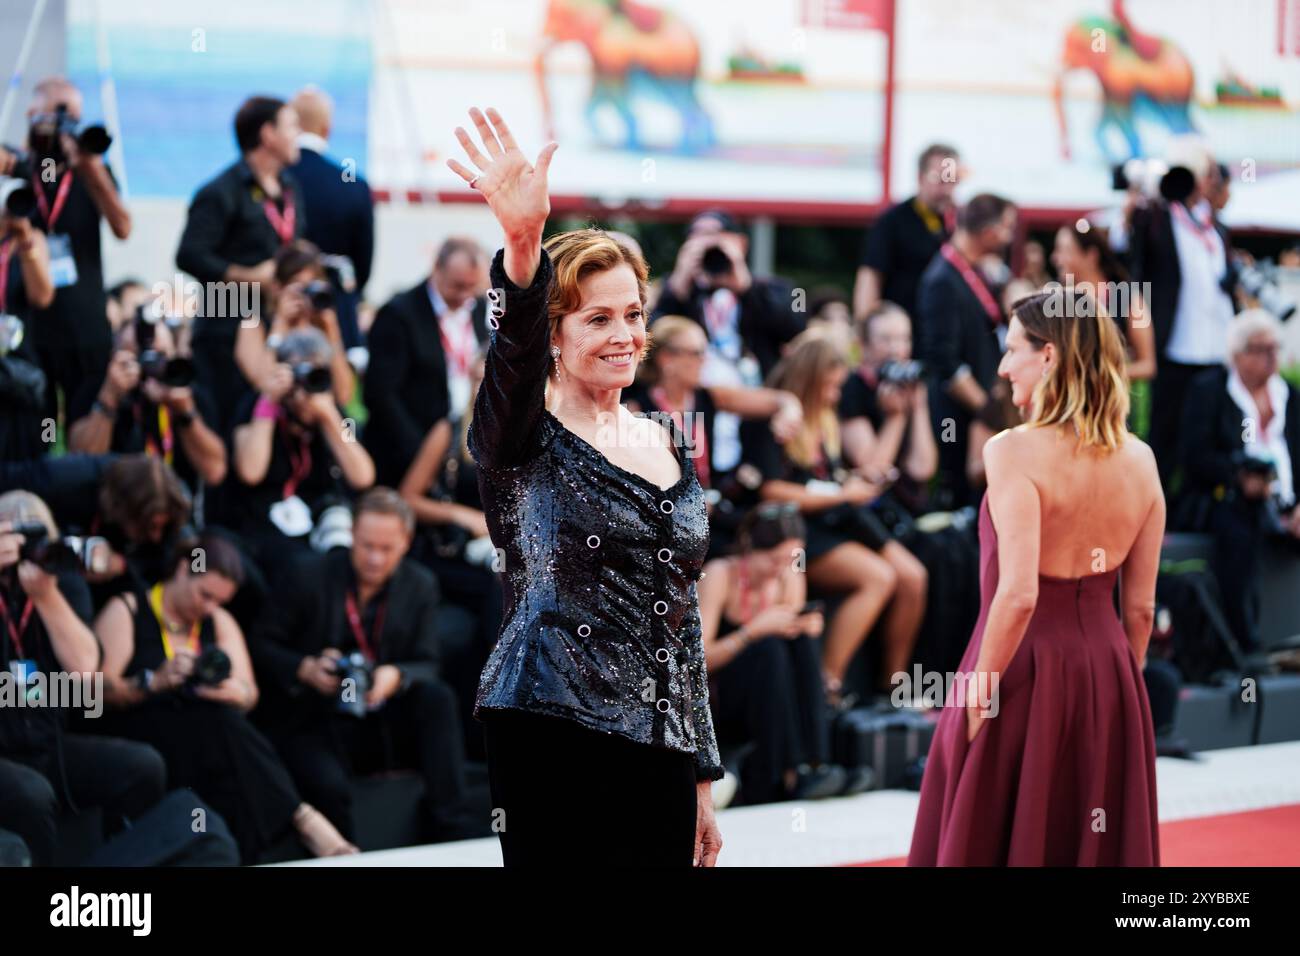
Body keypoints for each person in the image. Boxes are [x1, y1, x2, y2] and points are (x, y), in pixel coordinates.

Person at [446, 106, 723, 867]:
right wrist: (525, 246)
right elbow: (512, 346)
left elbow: (682, 617)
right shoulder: (518, 434)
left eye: (634, 314)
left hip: (658, 739)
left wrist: (701, 769)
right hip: (547, 720)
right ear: (558, 338)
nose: (625, 335)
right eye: (598, 318)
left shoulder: (667, 438)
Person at [908, 290, 1163, 866]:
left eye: (1011, 350)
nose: (1001, 368)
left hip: (1015, 669)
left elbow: (1018, 594)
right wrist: (1121, 688)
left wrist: (977, 698)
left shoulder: (1012, 451)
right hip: (1110, 670)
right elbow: (1141, 610)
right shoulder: (1141, 460)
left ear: (1049, 357)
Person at [94, 532, 358, 862]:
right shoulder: (128, 608)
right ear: (181, 570)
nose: (208, 607)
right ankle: (303, 818)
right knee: (220, 730)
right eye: (203, 594)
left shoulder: (217, 620)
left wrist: (233, 691)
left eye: (218, 601)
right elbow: (96, 694)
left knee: (222, 729)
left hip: (204, 737)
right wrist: (154, 682)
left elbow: (250, 695)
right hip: (142, 729)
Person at [249, 488, 479, 843]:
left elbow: (428, 662)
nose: (374, 559)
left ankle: (452, 824)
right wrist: (304, 668)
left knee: (437, 699)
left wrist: (397, 675)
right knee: (329, 785)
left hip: (381, 713)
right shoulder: (306, 574)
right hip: (315, 715)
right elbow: (260, 644)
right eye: (366, 546)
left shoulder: (420, 585)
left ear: (406, 542)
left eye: (386, 549)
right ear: (351, 535)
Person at [739, 329, 924, 706]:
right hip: (799, 529)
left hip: (838, 518)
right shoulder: (771, 419)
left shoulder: (824, 419)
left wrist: (853, 483)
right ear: (810, 379)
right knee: (878, 577)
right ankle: (827, 686)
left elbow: (826, 479)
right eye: (831, 386)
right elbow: (770, 491)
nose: (836, 395)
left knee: (913, 577)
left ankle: (891, 689)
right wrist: (842, 492)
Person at [0, 492, 167, 866]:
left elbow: (84, 670)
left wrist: (45, 597)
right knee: (31, 793)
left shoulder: (62, 582)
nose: (29, 551)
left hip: (47, 745)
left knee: (142, 767)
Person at [697, 502, 872, 804]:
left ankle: (816, 762)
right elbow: (699, 662)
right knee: (769, 647)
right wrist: (750, 633)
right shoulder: (720, 575)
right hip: (725, 694)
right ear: (751, 548)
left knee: (798, 642)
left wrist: (804, 627)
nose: (781, 569)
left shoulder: (789, 575)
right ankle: (785, 772)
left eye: (791, 560)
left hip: (772, 689)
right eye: (774, 560)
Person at [2, 77, 131, 426]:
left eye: (72, 115)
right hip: (27, 325)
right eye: (57, 114)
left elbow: (123, 227)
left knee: (81, 422)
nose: (65, 124)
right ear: (32, 114)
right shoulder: (16, 164)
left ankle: (74, 477)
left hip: (84, 326)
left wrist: (88, 164)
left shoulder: (90, 173)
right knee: (37, 426)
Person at [177, 95, 304, 431]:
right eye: (292, 126)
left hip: (274, 327)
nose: (299, 136)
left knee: (268, 423)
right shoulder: (221, 191)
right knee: (227, 427)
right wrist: (245, 277)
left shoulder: (289, 189)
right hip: (224, 330)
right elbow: (188, 254)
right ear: (268, 135)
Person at [1179, 310, 1300, 653]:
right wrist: (1239, 476)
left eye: (1275, 348)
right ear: (1237, 354)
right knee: (1238, 529)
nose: (1271, 357)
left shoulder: (1288, 395)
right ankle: (1243, 644)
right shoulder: (1210, 391)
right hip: (1227, 499)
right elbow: (1195, 456)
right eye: (1261, 349)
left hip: (1285, 503)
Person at [1128, 151, 1239, 489]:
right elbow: (1133, 261)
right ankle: (1154, 510)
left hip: (1215, 349)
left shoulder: (1215, 226)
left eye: (1205, 176)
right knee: (1164, 434)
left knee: (1205, 438)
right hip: (1175, 346)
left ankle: (1197, 509)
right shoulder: (1156, 218)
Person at [230, 328, 374, 571]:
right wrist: (269, 403)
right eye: (299, 373)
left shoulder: (338, 416)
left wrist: (328, 415)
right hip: (265, 525)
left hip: (321, 519)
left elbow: (363, 476)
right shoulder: (255, 406)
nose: (305, 386)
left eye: (316, 373)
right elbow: (250, 471)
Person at [915, 192, 1018, 508]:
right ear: (989, 231)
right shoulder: (942, 279)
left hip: (978, 411)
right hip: (957, 418)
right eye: (1007, 227)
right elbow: (943, 361)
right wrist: (991, 409)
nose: (1010, 237)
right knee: (964, 494)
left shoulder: (973, 270)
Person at [363, 237, 489, 486]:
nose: (465, 296)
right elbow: (380, 393)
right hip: (409, 451)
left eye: (472, 287)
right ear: (436, 269)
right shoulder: (398, 313)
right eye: (457, 286)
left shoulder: (480, 309)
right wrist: (422, 452)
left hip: (464, 446)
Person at [67, 312, 227, 506]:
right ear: (114, 357)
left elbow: (215, 471)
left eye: (160, 356)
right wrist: (109, 399)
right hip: (112, 514)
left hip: (175, 515)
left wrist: (185, 413)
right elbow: (79, 464)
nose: (148, 367)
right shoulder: (97, 389)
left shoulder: (189, 394)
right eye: (136, 357)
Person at [287, 87, 373, 352]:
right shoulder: (354, 185)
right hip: (334, 307)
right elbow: (363, 264)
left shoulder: (274, 179)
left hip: (282, 307)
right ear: (327, 129)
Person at [840, 302, 938, 513]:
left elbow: (922, 469)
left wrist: (919, 406)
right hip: (869, 510)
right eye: (886, 339)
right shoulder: (851, 387)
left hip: (909, 508)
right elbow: (873, 470)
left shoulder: (907, 385)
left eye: (904, 338)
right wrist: (896, 418)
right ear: (863, 345)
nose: (897, 349)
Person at [234, 239, 353, 408]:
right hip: (269, 420)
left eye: (311, 287)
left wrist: (332, 332)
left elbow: (344, 395)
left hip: (316, 420)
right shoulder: (254, 325)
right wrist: (279, 326)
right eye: (298, 286)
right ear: (277, 287)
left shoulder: (321, 326)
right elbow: (262, 386)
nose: (305, 297)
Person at [853, 144, 959, 323]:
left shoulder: (961, 223)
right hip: (902, 333)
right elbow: (870, 276)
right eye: (940, 181)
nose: (947, 190)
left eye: (952, 181)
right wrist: (865, 328)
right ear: (920, 178)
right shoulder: (892, 221)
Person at [1050, 219, 1156, 381]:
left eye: (1064, 251)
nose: (1055, 258)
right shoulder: (1058, 298)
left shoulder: (1126, 296)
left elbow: (1148, 365)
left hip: (1114, 401)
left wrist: (1097, 377)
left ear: (1091, 256)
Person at [0, 205, 54, 462]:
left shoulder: (32, 239)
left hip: (22, 364)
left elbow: (42, 296)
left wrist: (24, 240)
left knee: (27, 450)